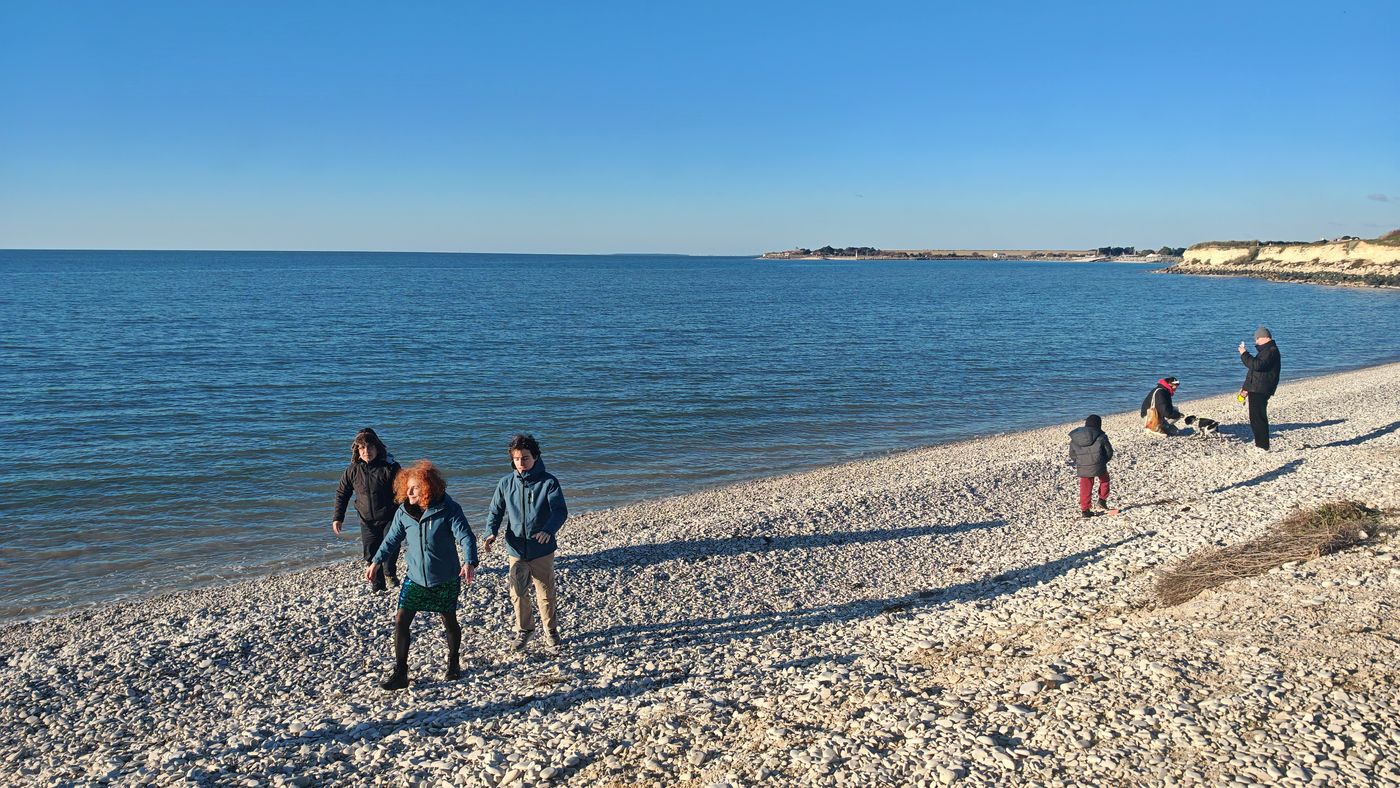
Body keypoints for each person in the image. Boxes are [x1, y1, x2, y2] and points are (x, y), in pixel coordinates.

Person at [367, 460, 477, 690]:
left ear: (428, 488)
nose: (409, 492)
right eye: (406, 487)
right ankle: (400, 672)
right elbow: (391, 540)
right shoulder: (403, 512)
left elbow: (466, 536)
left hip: (444, 578)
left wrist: (469, 562)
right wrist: (376, 561)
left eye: (414, 488)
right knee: (401, 620)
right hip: (415, 577)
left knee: (449, 620)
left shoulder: (449, 509)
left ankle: (453, 662)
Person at [484, 434, 568, 652]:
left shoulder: (548, 482)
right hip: (516, 549)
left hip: (542, 550)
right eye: (517, 459)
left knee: (545, 592)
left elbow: (560, 511)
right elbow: (496, 511)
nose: (521, 463)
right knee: (518, 592)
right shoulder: (505, 483)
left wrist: (548, 531)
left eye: (526, 458)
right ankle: (525, 630)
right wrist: (490, 533)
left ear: (536, 457)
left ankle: (551, 631)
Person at [332, 427, 402, 591]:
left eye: (370, 447)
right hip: (367, 520)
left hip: (390, 516)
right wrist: (338, 517)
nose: (366, 451)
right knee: (370, 552)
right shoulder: (353, 470)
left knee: (390, 547)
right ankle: (378, 586)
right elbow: (342, 493)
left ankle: (390, 573)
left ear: (377, 447)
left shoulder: (390, 467)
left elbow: (404, 492)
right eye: (362, 448)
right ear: (357, 450)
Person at [1239, 327, 1282, 451]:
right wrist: (1245, 388)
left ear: (1264, 337)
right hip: (1256, 387)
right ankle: (1261, 445)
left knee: (1258, 418)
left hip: (1261, 388)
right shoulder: (1265, 351)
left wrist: (1244, 354)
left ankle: (1262, 446)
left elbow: (1256, 365)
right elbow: (1253, 371)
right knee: (1256, 417)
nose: (1256, 342)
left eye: (1257, 339)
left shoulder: (1271, 350)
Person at [1068, 415, 1113, 518]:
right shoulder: (1101, 436)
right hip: (1099, 464)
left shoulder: (1076, 437)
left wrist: (1080, 462)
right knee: (1104, 480)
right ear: (1098, 425)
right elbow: (1109, 452)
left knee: (1085, 487)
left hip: (1083, 466)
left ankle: (1085, 510)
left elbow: (1072, 454)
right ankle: (1102, 500)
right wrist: (1103, 461)